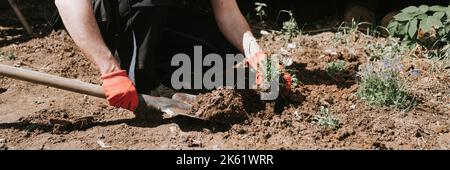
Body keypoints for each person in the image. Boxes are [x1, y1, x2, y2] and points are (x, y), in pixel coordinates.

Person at [54, 0, 267, 112]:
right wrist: (109, 69)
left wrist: (255, 52)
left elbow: (227, 11)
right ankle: (136, 74)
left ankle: (161, 71)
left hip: (163, 15)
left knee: (231, 60)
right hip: (109, 18)